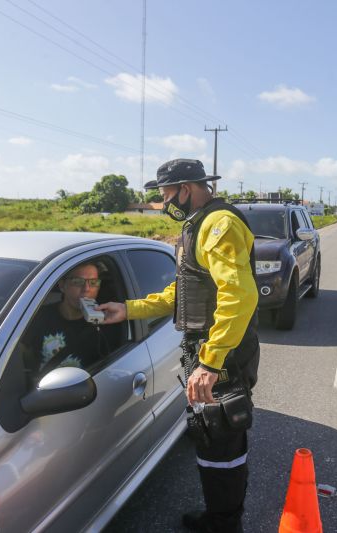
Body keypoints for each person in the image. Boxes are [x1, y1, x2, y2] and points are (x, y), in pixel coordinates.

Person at [98, 159, 259, 533]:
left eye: (166, 193)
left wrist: (212, 361)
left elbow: (239, 295)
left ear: (186, 188)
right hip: (207, 350)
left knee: (222, 438)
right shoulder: (197, 224)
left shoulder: (220, 225)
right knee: (208, 435)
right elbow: (183, 291)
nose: (164, 201)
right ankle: (219, 514)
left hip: (221, 354)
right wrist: (128, 310)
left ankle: (225, 524)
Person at [21, 262, 107, 379]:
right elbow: (22, 354)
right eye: (77, 282)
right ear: (62, 285)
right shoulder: (39, 316)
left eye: (93, 282)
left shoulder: (105, 324)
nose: (86, 289)